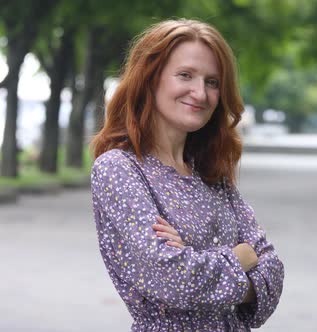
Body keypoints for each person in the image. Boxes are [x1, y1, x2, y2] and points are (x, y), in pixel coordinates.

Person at [90, 19, 284, 331]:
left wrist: (195, 260)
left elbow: (272, 274)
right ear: (150, 79)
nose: (200, 93)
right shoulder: (119, 168)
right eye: (185, 75)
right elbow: (175, 281)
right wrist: (241, 258)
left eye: (212, 82)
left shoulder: (210, 173)